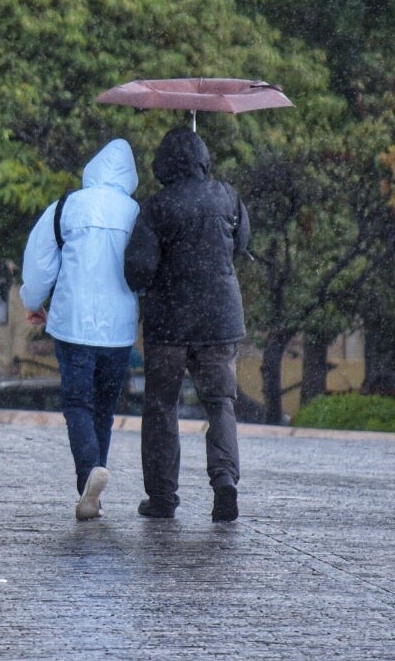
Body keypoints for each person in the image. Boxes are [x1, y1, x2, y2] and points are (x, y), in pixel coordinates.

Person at [125, 124, 250, 523]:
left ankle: (162, 496)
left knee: (162, 406)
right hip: (220, 320)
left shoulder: (157, 207)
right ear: (203, 160)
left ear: (164, 163)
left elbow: (138, 271)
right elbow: (242, 243)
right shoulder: (228, 196)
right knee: (221, 404)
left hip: (170, 326)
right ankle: (225, 480)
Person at [20, 139, 140, 521]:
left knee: (77, 404)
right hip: (119, 330)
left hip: (73, 325)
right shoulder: (136, 213)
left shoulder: (67, 205)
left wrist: (34, 302)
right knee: (103, 409)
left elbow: (40, 263)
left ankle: (89, 475)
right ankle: (94, 487)